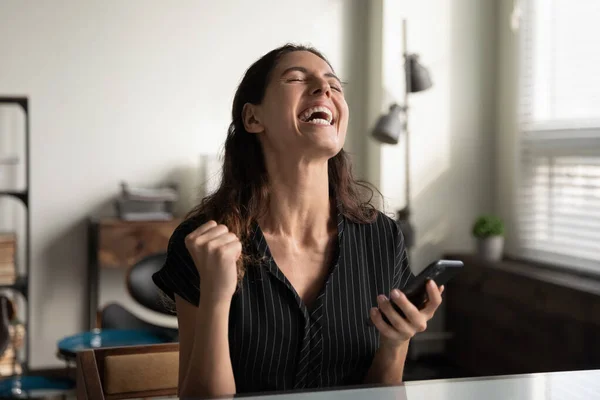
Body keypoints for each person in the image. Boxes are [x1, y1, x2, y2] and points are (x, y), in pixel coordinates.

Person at [152, 44, 444, 398]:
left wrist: (397, 341)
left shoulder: (381, 236)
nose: (324, 89)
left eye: (334, 86)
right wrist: (217, 296)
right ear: (253, 118)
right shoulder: (204, 243)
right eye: (296, 78)